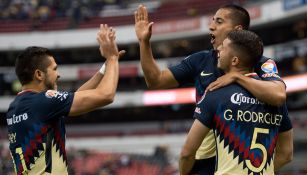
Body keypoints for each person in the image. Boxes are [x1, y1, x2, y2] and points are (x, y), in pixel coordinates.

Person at [134, 4, 287, 174]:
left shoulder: (260, 62)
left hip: (240, 160)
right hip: (203, 163)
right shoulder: (200, 60)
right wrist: (144, 42)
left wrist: (237, 77)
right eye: (213, 20)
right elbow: (156, 81)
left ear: (237, 29)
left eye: (219, 21)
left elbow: (278, 95)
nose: (211, 26)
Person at [6, 24, 125, 175]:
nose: (58, 74)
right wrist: (112, 58)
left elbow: (76, 97)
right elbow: (106, 95)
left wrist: (105, 68)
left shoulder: (15, 106)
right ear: (39, 74)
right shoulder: (43, 102)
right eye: (54, 69)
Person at [179, 30, 293, 175]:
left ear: (234, 60)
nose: (219, 49)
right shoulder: (274, 100)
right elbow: (286, 154)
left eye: (224, 47)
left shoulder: (216, 93)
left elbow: (187, 153)